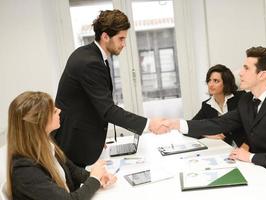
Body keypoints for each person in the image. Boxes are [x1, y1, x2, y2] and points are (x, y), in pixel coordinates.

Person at [170, 46, 266, 189]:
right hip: (258, 171)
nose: (240, 73)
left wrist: (250, 157)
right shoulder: (247, 100)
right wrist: (176, 124)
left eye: (246, 68)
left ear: (262, 75)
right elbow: (220, 123)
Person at [55, 9, 168, 167]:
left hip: (82, 138)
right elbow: (107, 110)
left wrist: (96, 138)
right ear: (105, 36)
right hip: (74, 144)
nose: (124, 44)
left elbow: (91, 102)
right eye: (121, 38)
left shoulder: (92, 56)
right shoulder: (90, 62)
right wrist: (149, 124)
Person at [6, 91, 117, 199]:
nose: (59, 111)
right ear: (39, 122)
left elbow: (73, 171)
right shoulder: (25, 171)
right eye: (53, 111)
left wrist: (99, 177)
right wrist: (95, 178)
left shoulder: (47, 146)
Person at [192, 64, 245, 146]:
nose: (210, 84)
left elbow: (252, 127)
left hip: (246, 147)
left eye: (216, 81)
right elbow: (191, 126)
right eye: (209, 80)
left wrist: (245, 146)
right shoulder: (207, 105)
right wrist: (206, 135)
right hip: (223, 148)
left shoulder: (241, 97)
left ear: (226, 83)